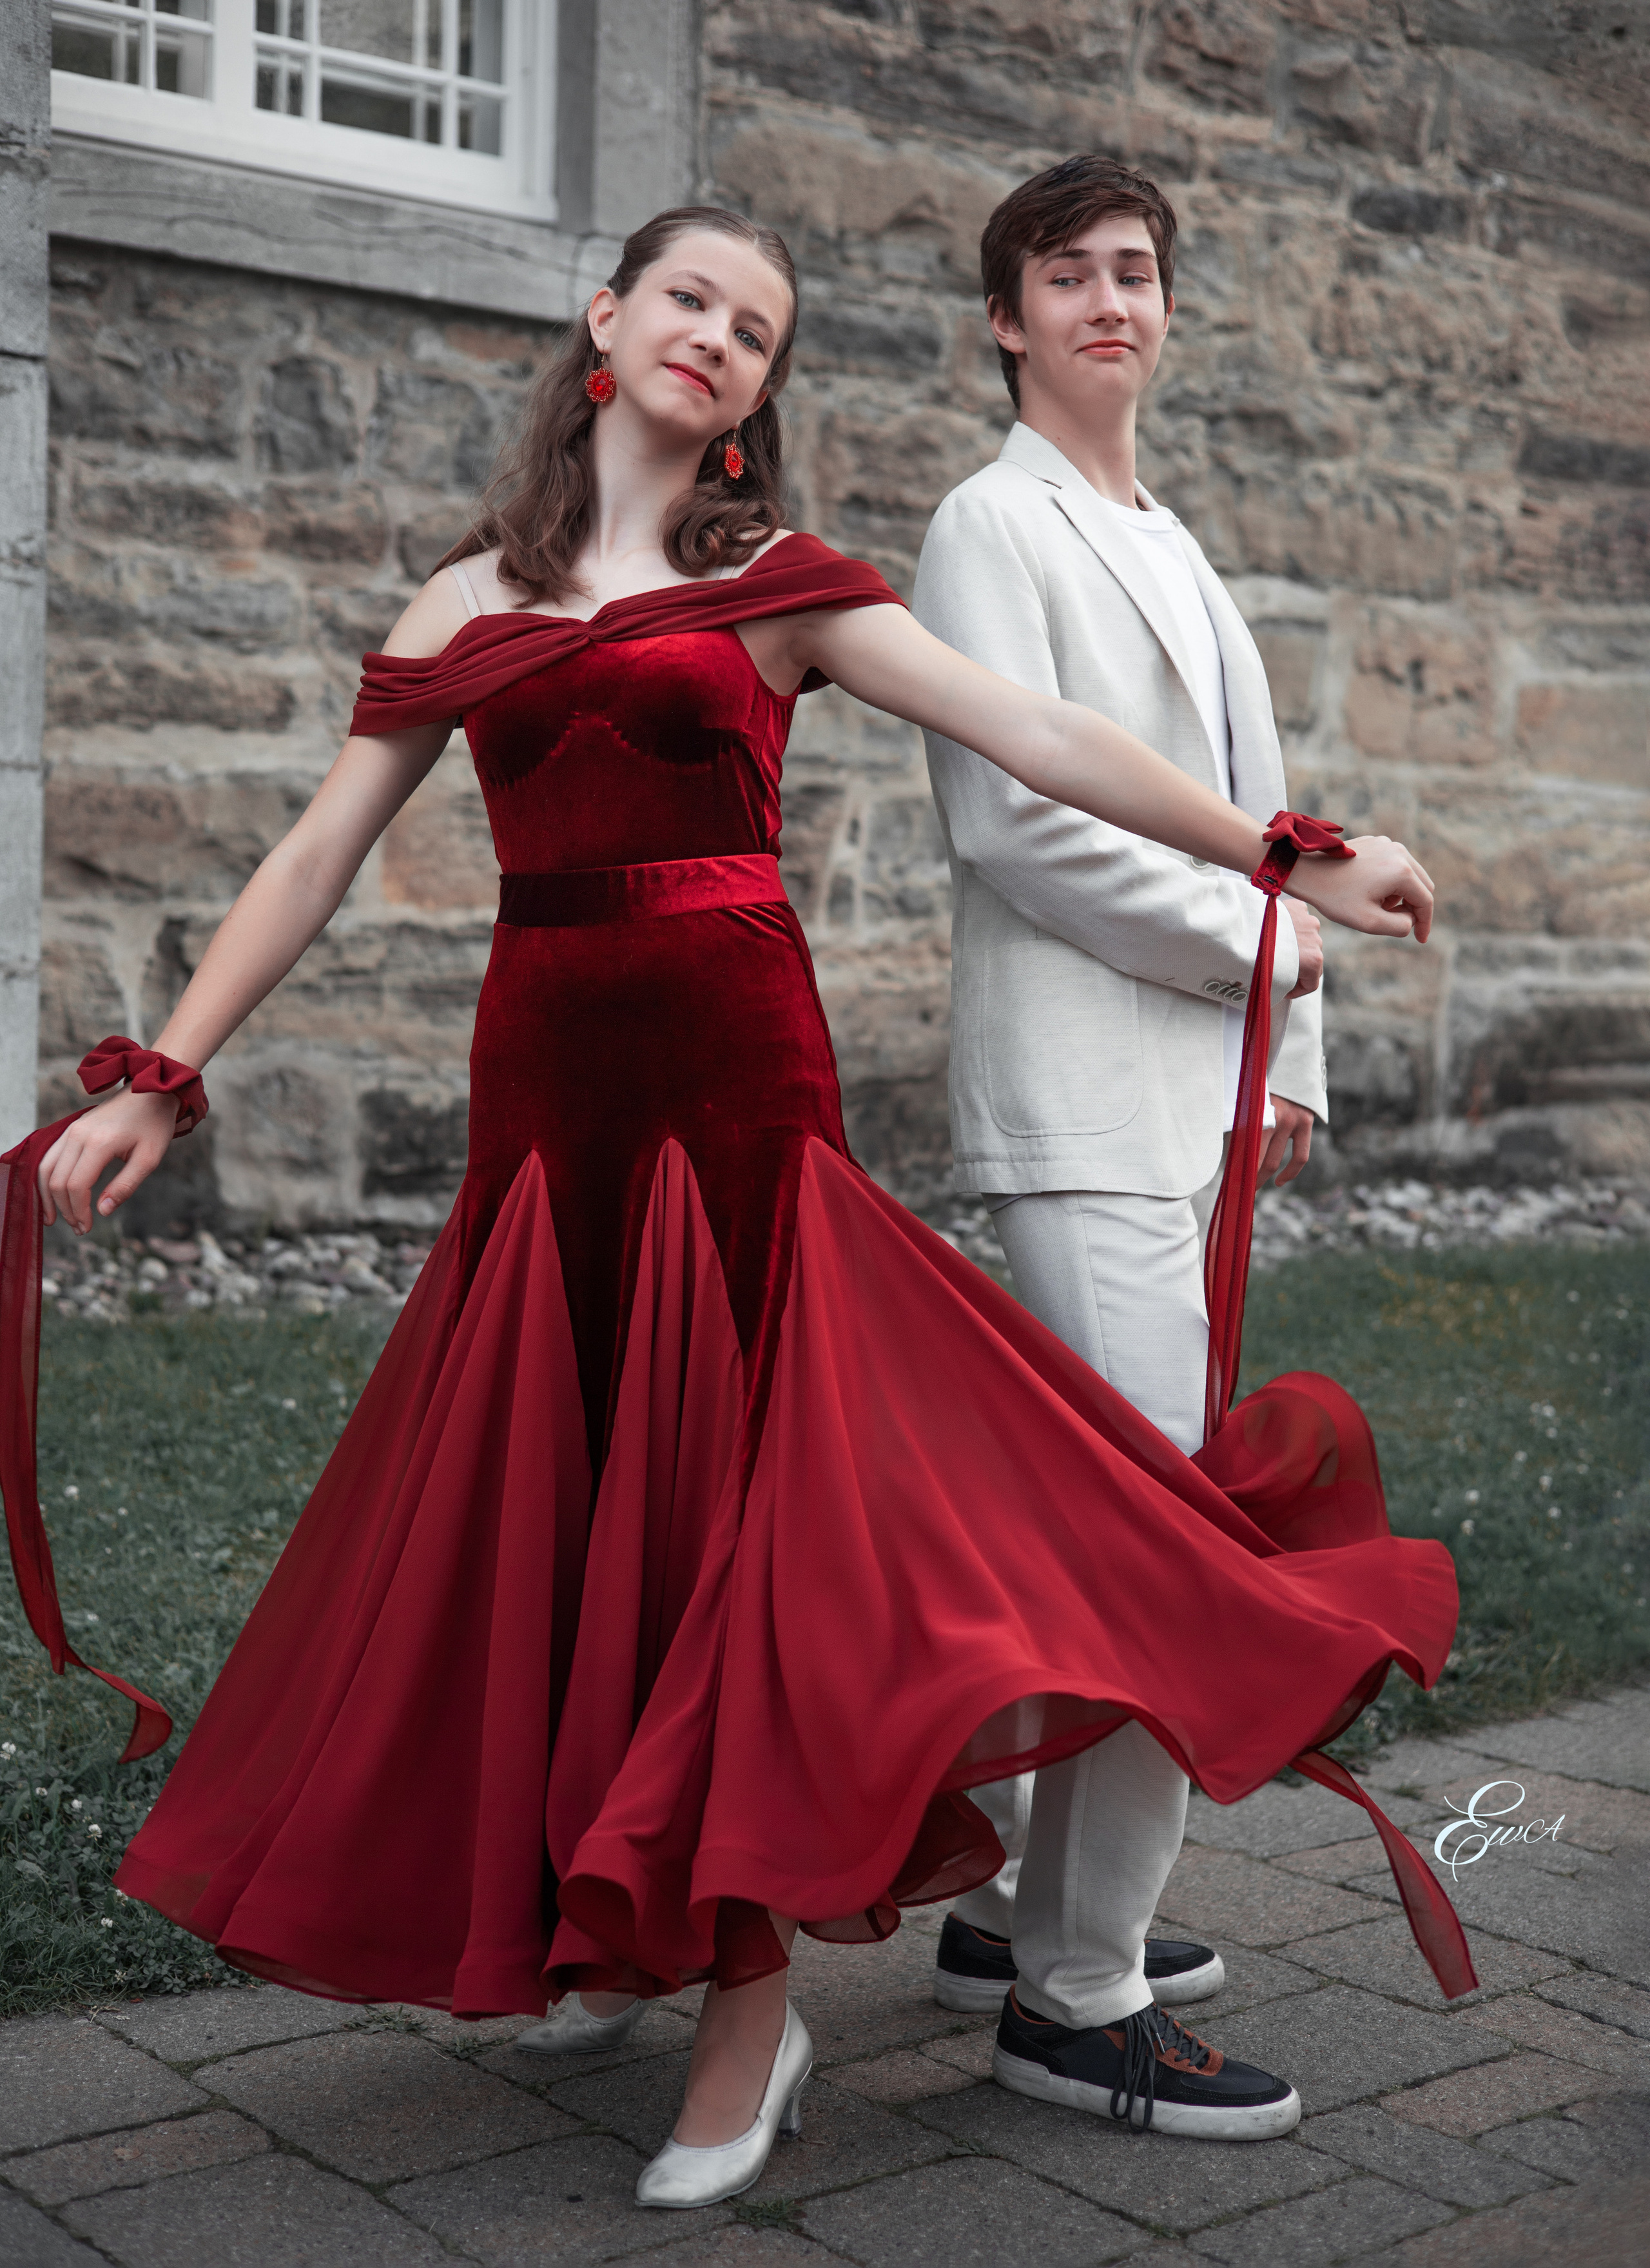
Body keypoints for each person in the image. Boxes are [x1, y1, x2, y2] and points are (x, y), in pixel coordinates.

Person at [17, 206, 1455, 2211]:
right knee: (577, 1522)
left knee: (723, 1544)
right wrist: (165, 1072)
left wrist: (1287, 850)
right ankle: (617, 1909)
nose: (719, 337)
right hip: (548, 1124)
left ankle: (752, 2008)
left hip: (739, 1116)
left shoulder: (773, 580)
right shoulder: (456, 606)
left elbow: (1033, 733)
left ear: (767, 389)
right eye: (690, 297)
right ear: (606, 319)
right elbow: (312, 858)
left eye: (759, 328)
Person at [913, 157, 1332, 2064]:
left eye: (1137, 272)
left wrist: (1288, 1068)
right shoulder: (987, 531)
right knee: (1158, 1541)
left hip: (1203, 1092)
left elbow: (1271, 814)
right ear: (1009, 320)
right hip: (1081, 1093)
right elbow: (1021, 826)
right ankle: (1082, 1994)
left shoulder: (1180, 543)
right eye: (1065, 274)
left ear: (1168, 312)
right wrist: (1266, 966)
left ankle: (1020, 1914)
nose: (1108, 300)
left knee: (1114, 1521)